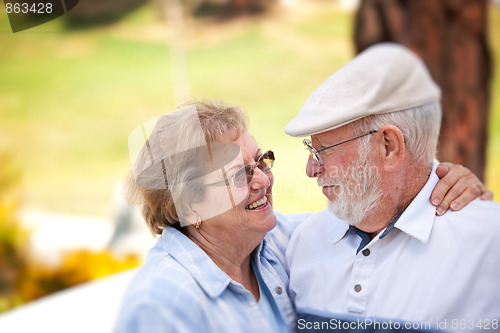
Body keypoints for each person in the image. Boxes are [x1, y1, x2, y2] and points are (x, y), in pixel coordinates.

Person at [114, 99, 488, 333]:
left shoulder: (276, 242)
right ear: (191, 204)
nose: (264, 180)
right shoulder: (161, 305)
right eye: (240, 175)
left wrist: (436, 179)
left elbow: (371, 211)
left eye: (261, 161)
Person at [284, 43, 500, 332]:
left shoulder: (489, 242)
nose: (311, 170)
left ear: (389, 146)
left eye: (322, 151)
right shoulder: (301, 240)